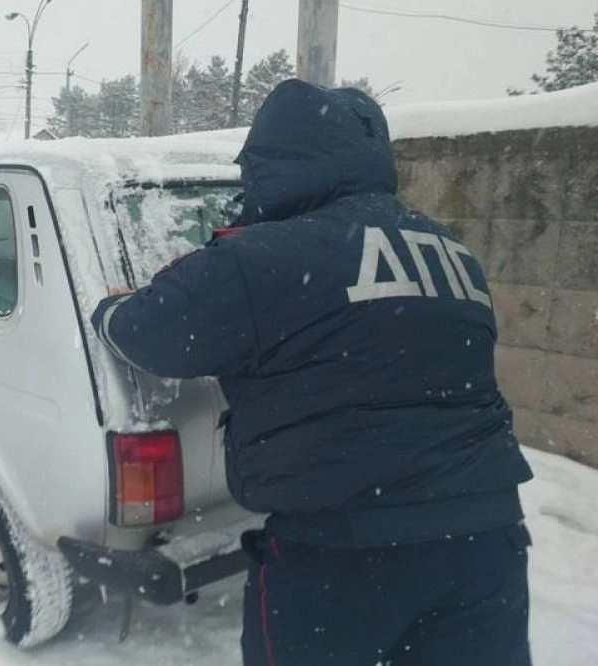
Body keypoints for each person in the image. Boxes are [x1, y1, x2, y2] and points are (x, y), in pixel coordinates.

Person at [90, 79, 534, 666]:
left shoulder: (264, 256)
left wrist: (109, 308)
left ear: (271, 163)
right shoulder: (448, 250)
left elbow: (148, 333)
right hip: (487, 540)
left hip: (345, 554)